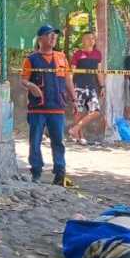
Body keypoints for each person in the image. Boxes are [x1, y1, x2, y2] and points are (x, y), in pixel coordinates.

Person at [20, 25, 75, 185]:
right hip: (37, 108)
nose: (53, 38)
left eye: (54, 36)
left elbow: (68, 79)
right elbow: (23, 80)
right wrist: (32, 86)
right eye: (49, 35)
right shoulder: (31, 59)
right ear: (40, 39)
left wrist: (74, 98)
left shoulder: (61, 57)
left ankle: (60, 172)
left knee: (58, 141)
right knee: (35, 140)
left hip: (57, 106)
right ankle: (36, 171)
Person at [68, 31, 104, 143]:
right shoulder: (78, 54)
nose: (91, 40)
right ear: (83, 40)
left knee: (96, 111)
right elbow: (71, 72)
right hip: (78, 86)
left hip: (92, 87)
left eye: (93, 38)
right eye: (88, 38)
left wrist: (102, 86)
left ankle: (75, 129)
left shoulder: (97, 54)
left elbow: (99, 71)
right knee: (78, 112)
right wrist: (70, 88)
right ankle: (79, 136)